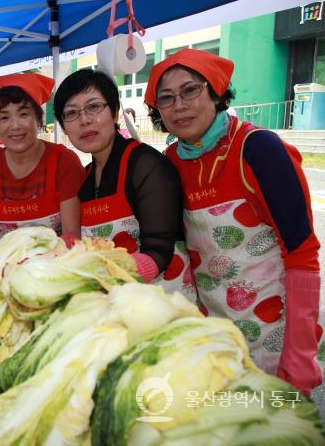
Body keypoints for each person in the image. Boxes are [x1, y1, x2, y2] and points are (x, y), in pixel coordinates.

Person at [145, 48, 321, 395]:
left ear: (216, 92)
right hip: (216, 330)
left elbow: (302, 252)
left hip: (275, 330)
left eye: (190, 90)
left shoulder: (258, 149)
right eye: (166, 99)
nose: (179, 105)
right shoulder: (169, 162)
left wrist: (300, 353)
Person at [53, 69, 194, 298]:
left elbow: (158, 252)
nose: (85, 120)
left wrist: (97, 277)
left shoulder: (146, 165)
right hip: (115, 303)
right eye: (71, 113)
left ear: (115, 112)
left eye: (94, 107)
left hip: (162, 304)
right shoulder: (86, 175)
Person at [0, 73, 86, 253]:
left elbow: (72, 234)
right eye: (4, 117)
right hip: (5, 269)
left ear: (38, 119)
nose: (15, 125)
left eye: (24, 114)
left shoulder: (64, 161)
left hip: (57, 268)